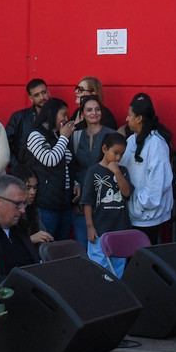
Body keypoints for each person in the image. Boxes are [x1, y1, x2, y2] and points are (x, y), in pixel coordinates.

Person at [22, 97, 76, 242]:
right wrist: (64, 137)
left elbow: (67, 160)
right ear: (52, 113)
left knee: (61, 245)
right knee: (47, 244)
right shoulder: (35, 135)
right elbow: (50, 160)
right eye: (63, 115)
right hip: (46, 201)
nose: (66, 119)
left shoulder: (56, 135)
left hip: (64, 199)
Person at [122, 94, 174, 242]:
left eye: (129, 115)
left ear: (139, 118)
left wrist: (140, 205)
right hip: (132, 216)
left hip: (149, 219)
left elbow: (157, 182)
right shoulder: (131, 141)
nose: (126, 119)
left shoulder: (157, 144)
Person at [68, 95, 113, 245]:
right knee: (83, 243)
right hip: (80, 200)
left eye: (97, 109)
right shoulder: (75, 136)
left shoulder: (112, 135)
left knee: (104, 247)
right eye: (89, 110)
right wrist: (75, 183)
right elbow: (70, 165)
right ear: (82, 113)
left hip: (105, 201)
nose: (94, 113)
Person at [81, 134, 132, 261]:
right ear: (104, 149)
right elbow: (87, 202)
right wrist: (90, 227)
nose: (118, 158)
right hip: (100, 229)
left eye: (122, 154)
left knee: (118, 264)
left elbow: (126, 193)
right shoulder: (93, 171)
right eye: (115, 153)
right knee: (99, 264)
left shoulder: (123, 171)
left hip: (120, 229)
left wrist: (117, 172)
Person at [5, 79, 53, 177]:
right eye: (36, 95)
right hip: (25, 173)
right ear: (31, 98)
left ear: (48, 92)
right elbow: (5, 146)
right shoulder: (19, 117)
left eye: (44, 92)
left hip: (51, 173)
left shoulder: (58, 116)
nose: (42, 97)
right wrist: (19, 169)